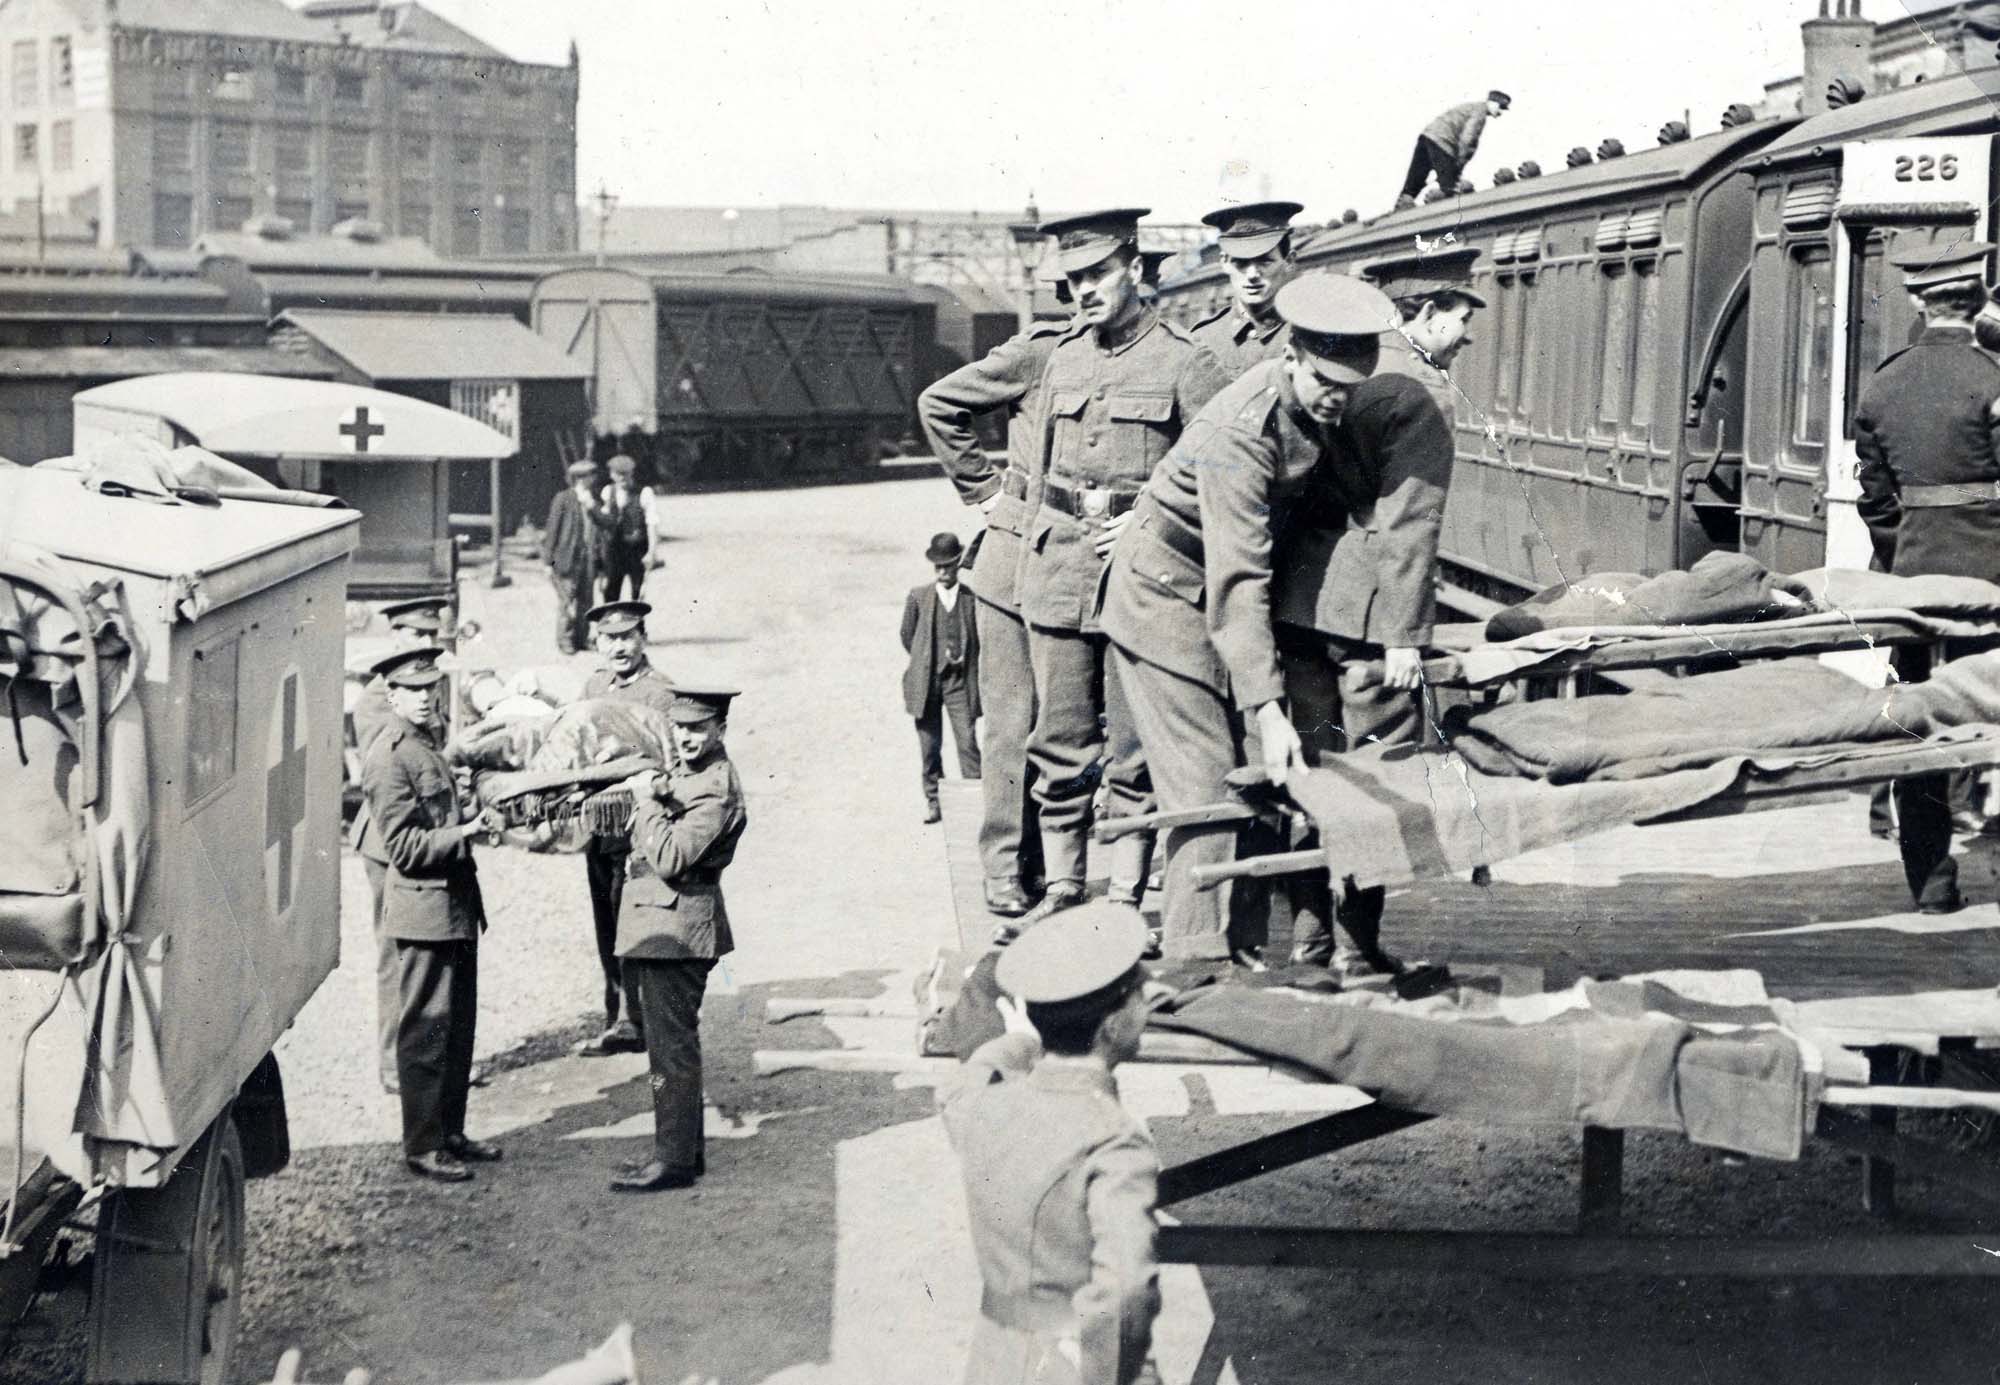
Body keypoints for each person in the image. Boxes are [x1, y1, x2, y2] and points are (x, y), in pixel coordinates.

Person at [1102, 274, 1396, 963]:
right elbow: (1239, 578)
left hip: (1212, 591)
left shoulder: (1317, 409)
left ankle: (1244, 946)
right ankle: (1192, 967)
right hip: (1162, 593)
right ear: (1292, 354)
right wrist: (1267, 705)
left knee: (1259, 773)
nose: (1338, 399)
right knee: (1205, 782)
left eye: (1351, 387)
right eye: (1326, 380)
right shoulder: (1243, 433)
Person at [1014, 208, 1230, 936]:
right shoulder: (1064, 358)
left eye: (1097, 274)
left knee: (1133, 748)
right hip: (1060, 567)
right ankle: (1066, 886)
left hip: (1144, 577)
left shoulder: (1185, 360)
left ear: (1135, 270)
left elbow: (1219, 474)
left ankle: (1125, 898)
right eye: (1072, 280)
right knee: (1060, 738)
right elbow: (1039, 465)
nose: (1083, 291)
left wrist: (1149, 523)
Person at [1269, 254, 1466, 975]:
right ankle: (1357, 950)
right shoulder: (1422, 396)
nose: (1466, 335)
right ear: (1422, 314)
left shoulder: (1329, 365)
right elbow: (1410, 520)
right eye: (1460, 316)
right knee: (1372, 778)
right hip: (1369, 620)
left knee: (1310, 771)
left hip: (1296, 601)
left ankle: (1308, 941)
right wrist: (1407, 633)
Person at [939, 901, 1160, 1385]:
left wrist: (1021, 1043)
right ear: (1111, 1025)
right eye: (1141, 995)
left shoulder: (977, 1106)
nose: (1150, 1002)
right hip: (1076, 1364)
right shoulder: (1113, 1140)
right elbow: (1125, 1289)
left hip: (996, 1359)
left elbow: (962, 1084)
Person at [1853, 241, 2000, 915]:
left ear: (1919, 301)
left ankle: (1932, 882)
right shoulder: (1992, 378)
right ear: (1977, 302)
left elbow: (1876, 500)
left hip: (1912, 586)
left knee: (1922, 720)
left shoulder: (1884, 383)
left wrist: (1908, 555)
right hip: (1993, 580)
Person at [917, 310, 1070, 915]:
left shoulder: (1160, 352)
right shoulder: (1041, 351)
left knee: (1071, 728)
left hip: (1101, 560)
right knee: (1013, 723)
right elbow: (939, 402)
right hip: (1021, 559)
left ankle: (1061, 867)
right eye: (1076, 283)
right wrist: (986, 490)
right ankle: (1006, 864)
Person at [357, 647, 506, 1183]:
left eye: (430, 688)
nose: (424, 698)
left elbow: (437, 814)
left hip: (453, 907)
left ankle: (451, 1132)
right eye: (412, 690)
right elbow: (404, 847)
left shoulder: (424, 743)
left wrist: (470, 812)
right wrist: (466, 833)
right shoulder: (389, 755)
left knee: (458, 1027)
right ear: (392, 695)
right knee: (424, 1030)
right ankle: (422, 1145)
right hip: (422, 911)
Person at [609, 685, 749, 1193]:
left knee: (671, 1050)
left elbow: (669, 858)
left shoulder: (715, 788)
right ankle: (681, 1151)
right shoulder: (692, 776)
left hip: (678, 930)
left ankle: (672, 1162)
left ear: (721, 730)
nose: (688, 738)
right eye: (682, 728)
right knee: (671, 1046)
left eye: (699, 728)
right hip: (664, 926)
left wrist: (645, 803)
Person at [349, 602, 452, 1095]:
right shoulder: (376, 700)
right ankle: (395, 1061)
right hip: (388, 841)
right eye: (411, 635)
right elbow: (392, 771)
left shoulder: (421, 688)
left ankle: (428, 1057)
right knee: (397, 954)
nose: (419, 646)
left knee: (431, 958)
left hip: (424, 827)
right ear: (392, 636)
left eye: (429, 636)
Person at [575, 599, 680, 1056]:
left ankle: (635, 1019)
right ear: (596, 644)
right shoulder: (593, 685)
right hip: (598, 824)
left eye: (626, 637)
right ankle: (617, 1011)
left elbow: (672, 760)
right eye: (608, 639)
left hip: (638, 825)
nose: (618, 647)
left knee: (634, 917)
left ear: (643, 639)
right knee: (605, 917)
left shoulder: (661, 692)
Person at [902, 532, 983, 825]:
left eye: (948, 566)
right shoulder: (918, 597)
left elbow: (979, 640)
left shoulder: (970, 599)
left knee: (968, 743)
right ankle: (934, 801)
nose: (942, 572)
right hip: (927, 685)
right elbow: (908, 637)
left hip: (959, 683)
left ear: (958, 564)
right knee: (929, 747)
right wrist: (927, 660)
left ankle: (977, 798)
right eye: (937, 566)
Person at [1190, 201, 1304, 378]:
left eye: (1265, 261)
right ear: (1224, 263)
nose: (1252, 274)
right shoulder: (1202, 339)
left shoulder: (1311, 334)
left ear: (1289, 261)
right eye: (1241, 262)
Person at [1395, 90, 1510, 210]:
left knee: (1415, 178)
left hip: (1427, 137)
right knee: (1450, 187)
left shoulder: (1471, 107)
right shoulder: (1480, 113)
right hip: (1443, 142)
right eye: (1501, 107)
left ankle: (1399, 208)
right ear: (1492, 103)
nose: (1501, 112)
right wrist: (1458, 163)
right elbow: (1468, 140)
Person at [544, 459, 602, 654]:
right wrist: (547, 560)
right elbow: (552, 530)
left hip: (588, 558)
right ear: (579, 478)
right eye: (589, 475)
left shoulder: (592, 499)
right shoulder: (563, 498)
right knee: (567, 601)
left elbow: (602, 525)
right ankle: (565, 640)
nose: (592, 479)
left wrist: (592, 506)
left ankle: (582, 638)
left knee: (587, 601)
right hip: (568, 558)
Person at [595, 454, 652, 604]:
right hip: (614, 551)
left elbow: (652, 524)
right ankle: (609, 626)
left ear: (632, 473)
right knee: (610, 594)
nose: (621, 478)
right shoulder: (608, 492)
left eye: (625, 474)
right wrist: (600, 552)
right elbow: (603, 524)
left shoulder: (644, 493)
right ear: (611, 474)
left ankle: (638, 627)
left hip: (636, 549)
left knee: (637, 595)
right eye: (617, 474)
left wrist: (652, 552)